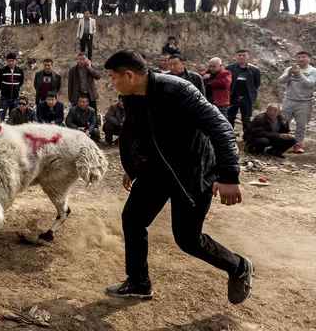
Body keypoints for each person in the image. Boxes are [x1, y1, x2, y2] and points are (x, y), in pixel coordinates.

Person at [102, 49, 253, 305]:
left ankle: (239, 266)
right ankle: (139, 282)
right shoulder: (133, 96)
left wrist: (228, 175)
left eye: (112, 77)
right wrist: (132, 167)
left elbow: (220, 128)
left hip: (192, 174)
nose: (111, 82)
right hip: (156, 171)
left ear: (129, 75)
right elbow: (132, 130)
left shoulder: (178, 90)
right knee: (133, 219)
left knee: (188, 240)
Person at [278, 51, 316, 153]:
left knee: (301, 125)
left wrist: (299, 75)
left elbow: (310, 84)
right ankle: (281, 142)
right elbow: (281, 80)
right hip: (289, 99)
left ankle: (298, 144)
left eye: (303, 57)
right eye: (298, 57)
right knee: (283, 122)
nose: (301, 59)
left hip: (305, 102)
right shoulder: (289, 69)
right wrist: (289, 74)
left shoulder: (313, 71)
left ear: (309, 59)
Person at [226, 49, 261, 135]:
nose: (241, 57)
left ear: (248, 57)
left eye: (244, 55)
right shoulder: (229, 68)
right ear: (236, 56)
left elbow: (256, 84)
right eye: (239, 55)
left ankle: (247, 137)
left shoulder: (254, 70)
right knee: (230, 117)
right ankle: (230, 136)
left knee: (246, 119)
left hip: (247, 98)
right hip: (232, 97)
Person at [0, 52, 24, 122]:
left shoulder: (19, 71)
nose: (11, 63)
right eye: (9, 61)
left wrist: (16, 88)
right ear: (7, 61)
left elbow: (21, 82)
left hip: (15, 98)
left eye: (12, 61)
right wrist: (4, 89)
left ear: (16, 61)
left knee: (13, 118)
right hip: (4, 98)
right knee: (0, 117)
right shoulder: (2, 70)